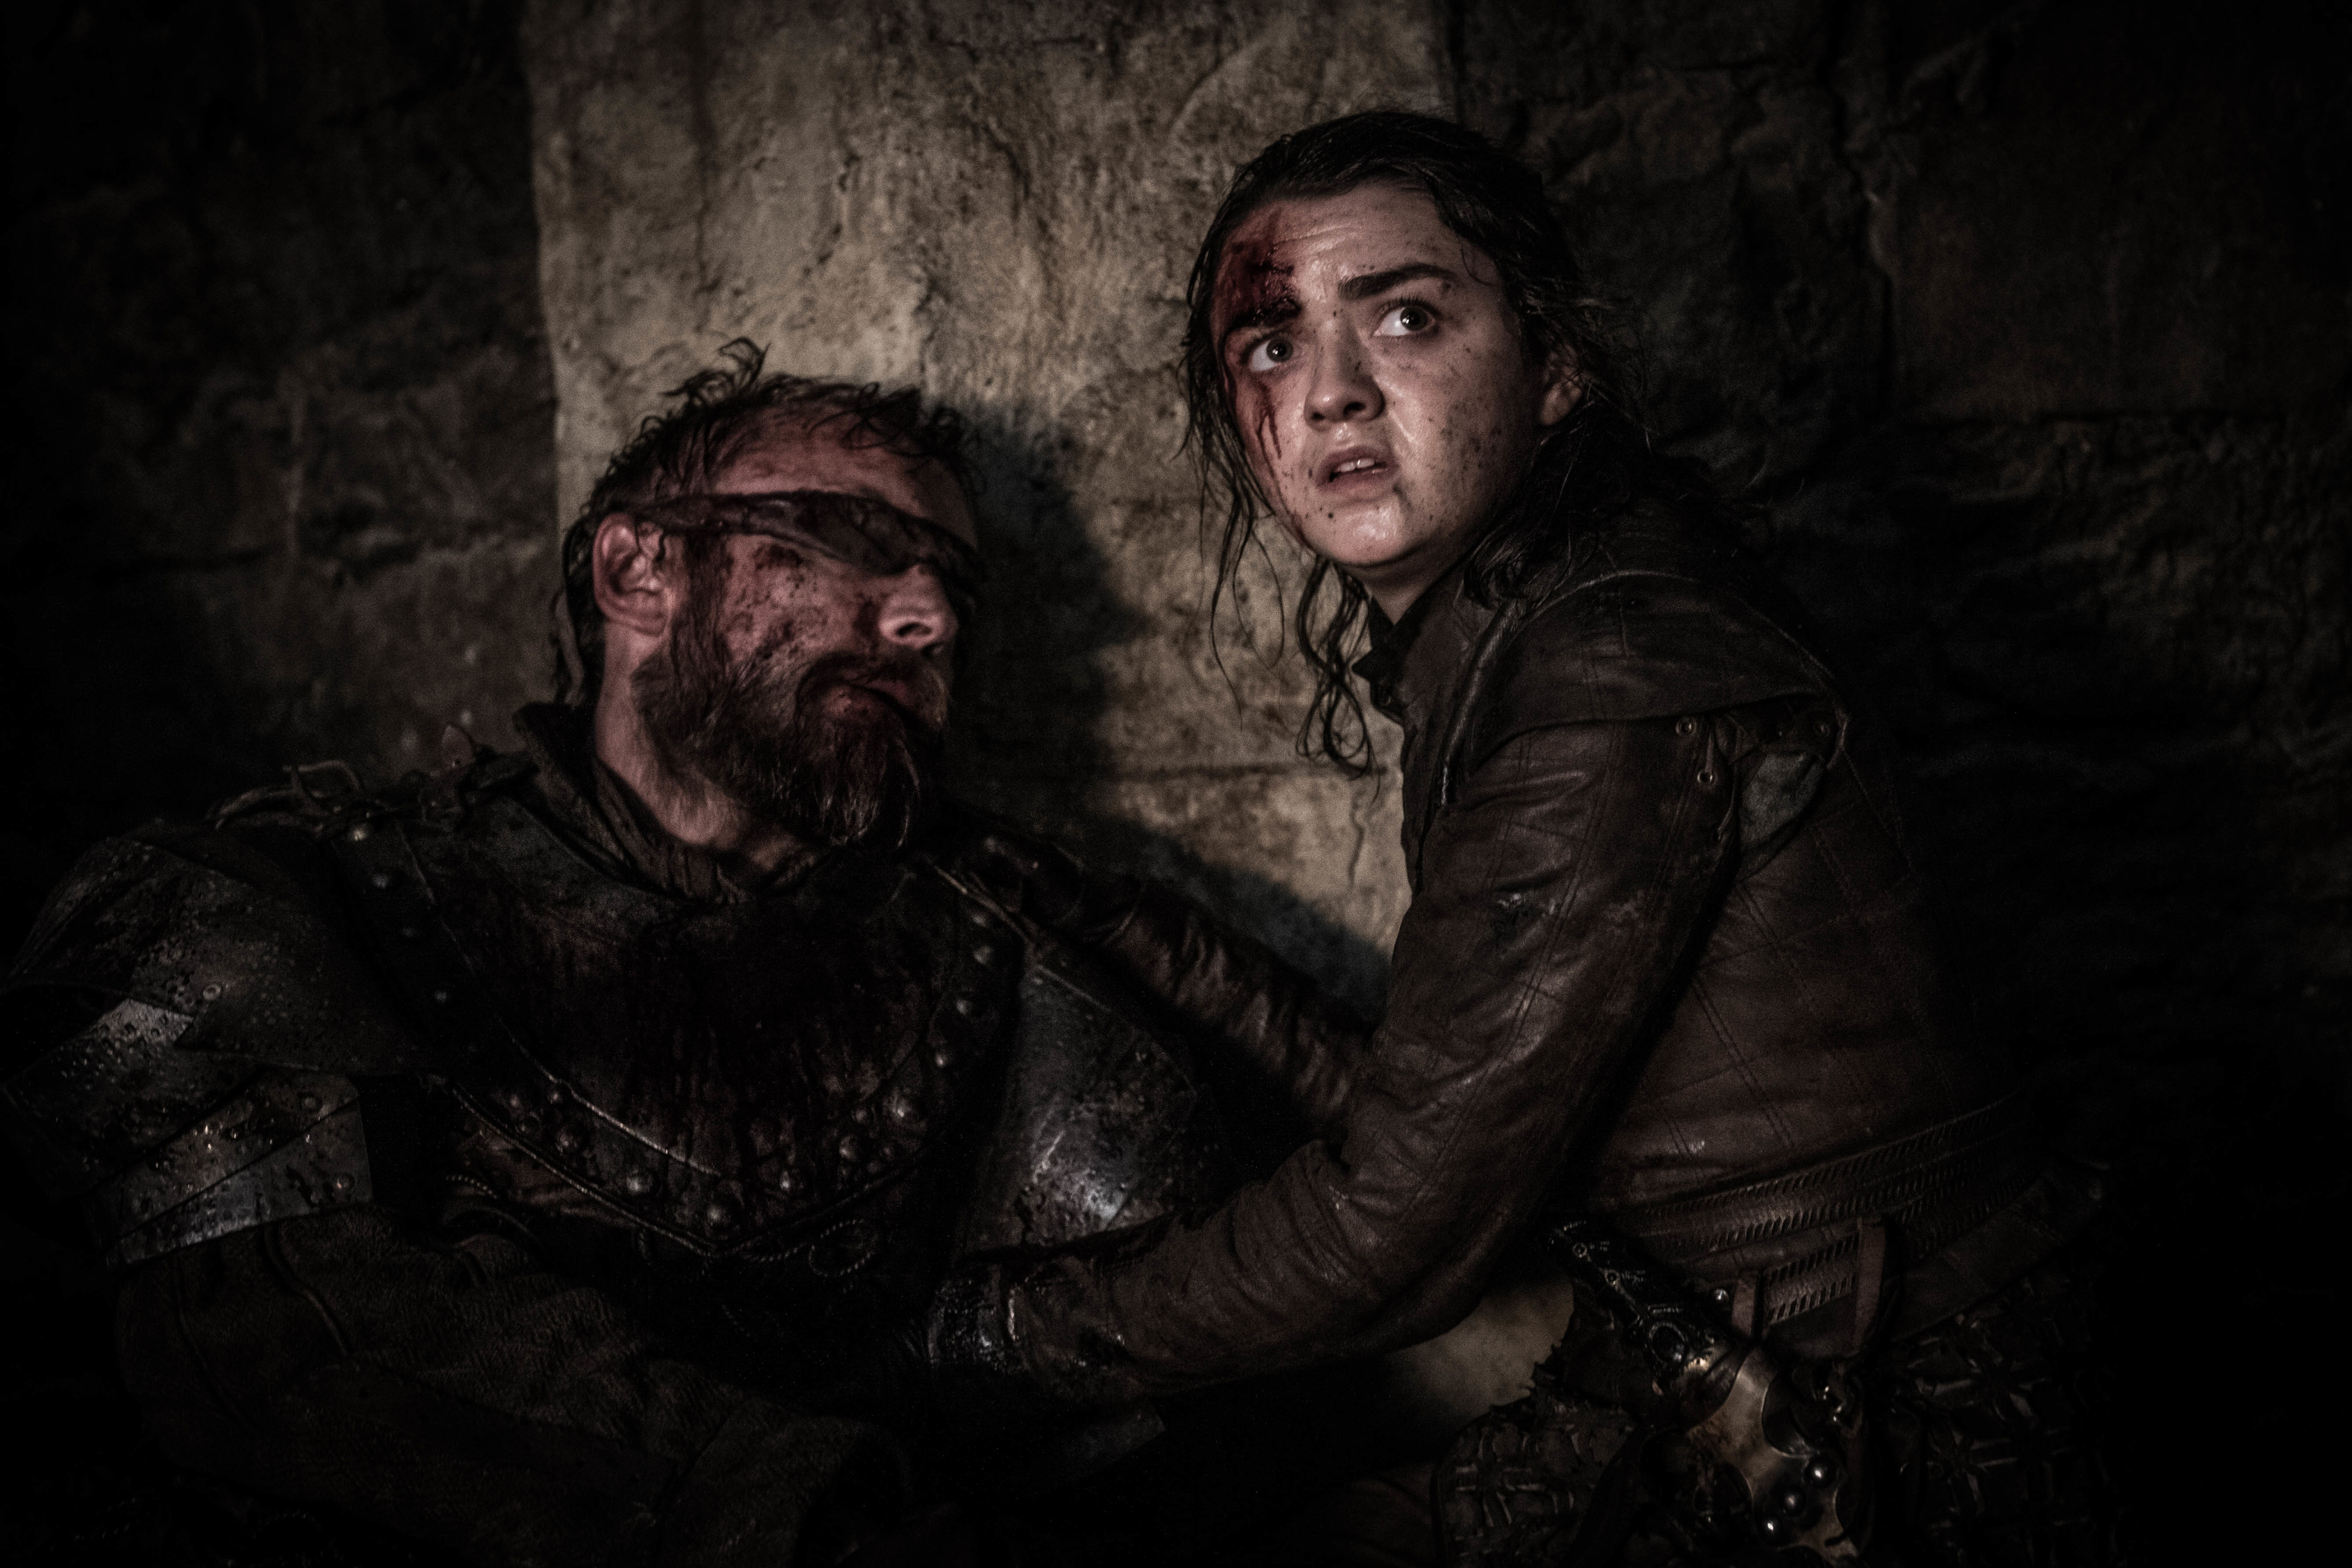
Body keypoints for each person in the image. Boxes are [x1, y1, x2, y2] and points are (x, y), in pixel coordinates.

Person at [933, 113, 2115, 1565]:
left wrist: (984, 1330)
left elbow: (1399, 1230)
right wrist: (1115, 926)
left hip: (1867, 1437)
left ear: (1555, 367)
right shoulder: (1525, 623)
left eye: (1406, 319)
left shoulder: (1602, 672)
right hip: (1729, 1375)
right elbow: (1438, 1109)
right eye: (1273, 346)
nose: (1331, 393)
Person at [0, 344, 1375, 1566]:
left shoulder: (991, 956)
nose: (929, 617)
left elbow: (1352, 1216)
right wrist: (820, 1515)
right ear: (637, 571)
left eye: (949, 581)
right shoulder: (312, 906)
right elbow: (282, 1345)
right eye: (850, 538)